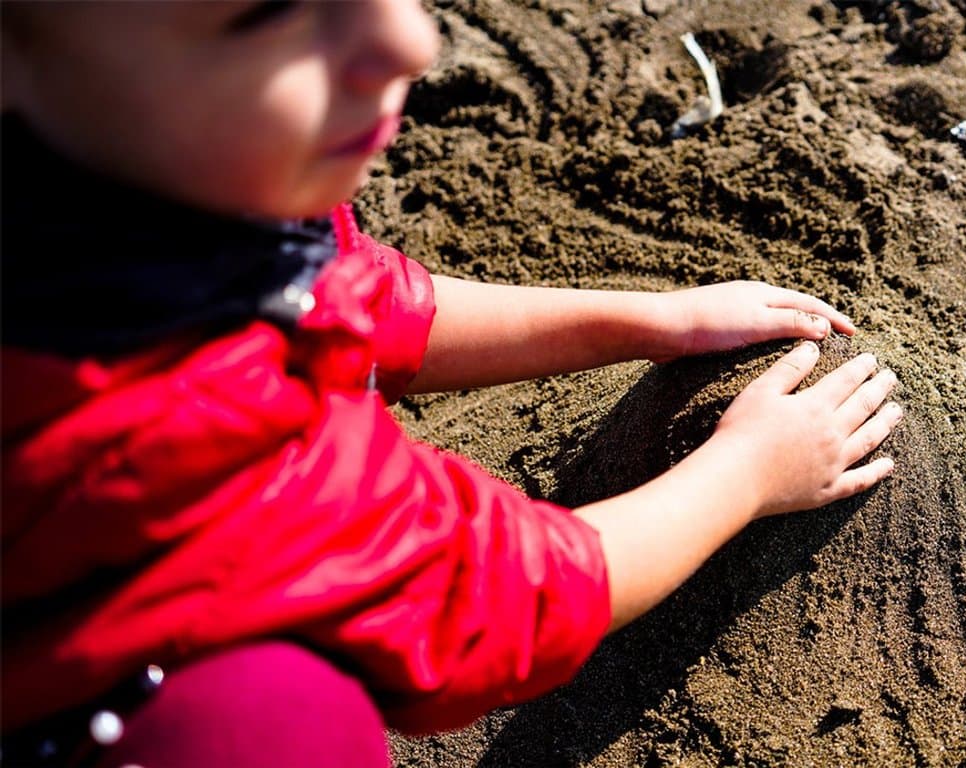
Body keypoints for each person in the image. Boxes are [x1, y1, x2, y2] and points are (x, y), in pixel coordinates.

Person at [0, 2, 902, 765]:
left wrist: (648, 320)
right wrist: (748, 471)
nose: (410, 41)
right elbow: (504, 597)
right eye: (268, 9)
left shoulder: (136, 202)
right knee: (268, 719)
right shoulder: (182, 434)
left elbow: (354, 296)